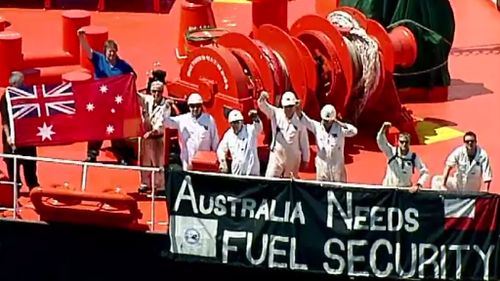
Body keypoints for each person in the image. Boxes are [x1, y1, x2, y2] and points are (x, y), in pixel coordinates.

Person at [78, 28, 136, 165]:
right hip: (100, 102)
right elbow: (87, 50)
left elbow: (133, 77)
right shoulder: (99, 60)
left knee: (117, 131)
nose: (112, 54)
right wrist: (81, 37)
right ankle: (92, 155)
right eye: (110, 52)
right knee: (96, 129)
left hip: (116, 104)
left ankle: (122, 157)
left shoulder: (124, 66)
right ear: (105, 52)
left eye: (114, 52)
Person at [296, 104, 357, 182]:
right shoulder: (317, 127)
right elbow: (306, 121)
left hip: (337, 168)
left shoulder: (340, 129)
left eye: (329, 121)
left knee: (339, 191)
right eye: (325, 120)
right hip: (322, 167)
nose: (327, 123)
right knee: (321, 192)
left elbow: (354, 131)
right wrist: (299, 112)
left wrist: (340, 123)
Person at [0, 71, 40, 191]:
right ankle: (15, 191)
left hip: (28, 138)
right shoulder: (6, 97)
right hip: (12, 138)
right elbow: (5, 120)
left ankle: (33, 188)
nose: (24, 84)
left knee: (30, 168)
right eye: (21, 83)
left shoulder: (27, 94)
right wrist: (9, 137)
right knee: (13, 167)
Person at [257, 90, 309, 178]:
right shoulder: (276, 113)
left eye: (290, 106)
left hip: (293, 159)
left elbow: (304, 140)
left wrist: (306, 159)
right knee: (270, 179)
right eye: (286, 107)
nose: (288, 109)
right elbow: (264, 107)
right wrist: (262, 98)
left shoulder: (300, 120)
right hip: (277, 156)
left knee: (289, 183)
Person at [163, 93, 218, 170]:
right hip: (188, 161)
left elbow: (215, 140)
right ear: (189, 107)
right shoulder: (182, 120)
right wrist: (167, 108)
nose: (195, 109)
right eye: (192, 106)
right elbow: (166, 122)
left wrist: (217, 159)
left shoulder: (209, 119)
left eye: (197, 106)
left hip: (205, 161)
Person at [377, 122, 428, 193]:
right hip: (389, 190)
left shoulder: (414, 157)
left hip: (405, 191)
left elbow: (425, 172)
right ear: (398, 142)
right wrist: (383, 129)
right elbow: (381, 142)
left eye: (406, 142)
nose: (404, 144)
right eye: (401, 142)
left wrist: (419, 184)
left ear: (409, 142)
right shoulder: (391, 152)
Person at [138, 81, 168, 194]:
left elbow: (161, 124)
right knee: (144, 161)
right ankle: (145, 183)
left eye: (159, 92)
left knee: (158, 163)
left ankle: (160, 186)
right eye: (154, 91)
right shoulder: (148, 100)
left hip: (157, 138)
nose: (156, 94)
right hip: (145, 137)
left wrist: (152, 132)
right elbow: (136, 96)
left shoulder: (166, 106)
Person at [217, 109, 262, 176]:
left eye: (237, 122)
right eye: (233, 123)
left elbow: (258, 128)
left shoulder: (250, 130)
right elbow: (221, 149)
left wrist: (255, 118)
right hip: (237, 172)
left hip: (252, 172)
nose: (235, 125)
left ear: (242, 121)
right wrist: (223, 161)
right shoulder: (228, 135)